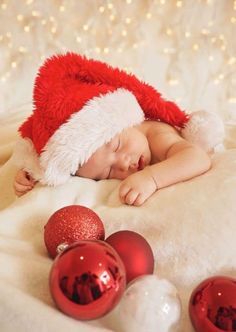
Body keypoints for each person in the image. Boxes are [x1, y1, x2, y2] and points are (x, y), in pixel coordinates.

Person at [13, 52, 221, 206]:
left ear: (124, 122)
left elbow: (198, 158)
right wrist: (33, 171)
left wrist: (152, 178)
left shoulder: (155, 135)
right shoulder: (95, 156)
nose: (122, 164)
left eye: (117, 146)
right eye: (107, 172)